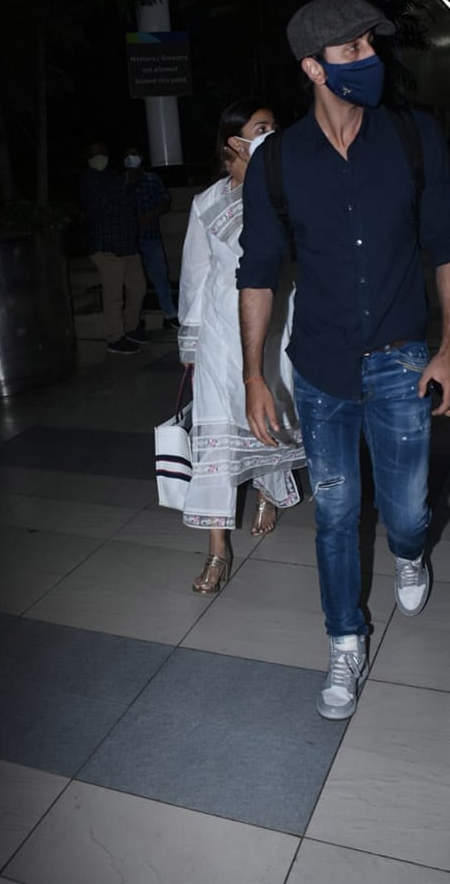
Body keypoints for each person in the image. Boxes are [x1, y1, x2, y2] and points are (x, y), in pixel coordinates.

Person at [237, 0, 450, 720]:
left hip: (403, 359)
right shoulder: (275, 164)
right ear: (313, 67)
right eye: (351, 52)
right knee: (336, 513)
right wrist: (254, 373)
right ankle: (345, 640)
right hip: (320, 367)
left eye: (372, 47)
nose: (369, 61)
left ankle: (411, 550)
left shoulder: (412, 137)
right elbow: (257, 271)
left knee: (405, 510)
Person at [178, 99, 306, 595]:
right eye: (262, 128)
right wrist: (191, 345)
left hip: (275, 326)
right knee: (215, 433)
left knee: (268, 416)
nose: (273, 133)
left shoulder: (285, 190)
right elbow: (195, 274)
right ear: (235, 141)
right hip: (219, 331)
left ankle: (268, 493)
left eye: (275, 125)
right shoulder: (207, 202)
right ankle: (217, 549)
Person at [80, 142, 148, 355]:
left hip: (127, 245)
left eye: (102, 153)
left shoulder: (113, 177)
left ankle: (130, 327)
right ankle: (115, 337)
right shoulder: (89, 180)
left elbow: (129, 198)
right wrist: (128, 181)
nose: (99, 157)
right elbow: (109, 204)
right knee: (114, 296)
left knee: (138, 287)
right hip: (107, 247)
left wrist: (130, 180)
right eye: (94, 154)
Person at [123, 145, 180, 332]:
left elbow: (165, 203)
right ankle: (136, 319)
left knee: (160, 276)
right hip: (129, 241)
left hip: (151, 237)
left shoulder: (152, 180)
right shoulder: (121, 182)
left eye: (135, 155)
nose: (132, 158)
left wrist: (151, 215)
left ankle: (169, 315)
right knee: (133, 281)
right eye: (128, 156)